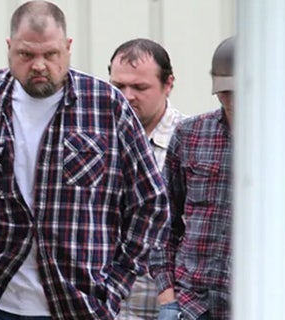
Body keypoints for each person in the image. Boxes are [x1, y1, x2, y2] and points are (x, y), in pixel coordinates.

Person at [0, 1, 170, 319]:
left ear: (68, 47)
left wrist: (116, 282)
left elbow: (150, 203)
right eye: (26, 54)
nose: (39, 65)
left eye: (50, 54)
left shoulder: (107, 107)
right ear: (9, 48)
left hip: (75, 304)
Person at [148, 36, 235, 320]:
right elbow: (163, 222)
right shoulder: (191, 135)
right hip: (194, 305)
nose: (232, 101)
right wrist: (168, 299)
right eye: (225, 93)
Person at [108, 39, 186, 320]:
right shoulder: (97, 140)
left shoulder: (189, 141)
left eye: (140, 88)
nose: (127, 96)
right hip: (106, 305)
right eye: (118, 87)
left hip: (165, 305)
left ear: (168, 84)